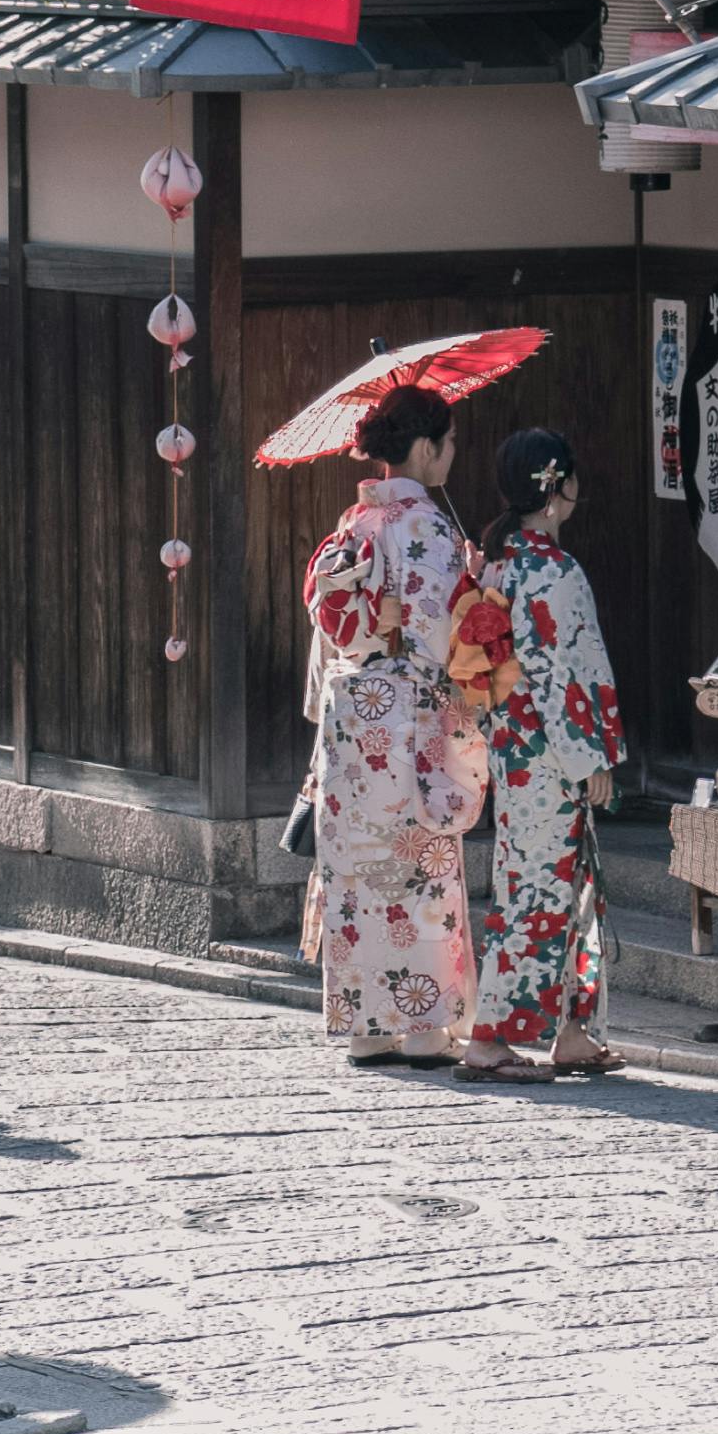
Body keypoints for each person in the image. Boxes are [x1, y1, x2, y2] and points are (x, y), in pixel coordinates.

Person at [300, 386, 488, 1067]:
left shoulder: (355, 522)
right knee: (419, 867)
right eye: (449, 440)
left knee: (356, 869)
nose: (452, 452)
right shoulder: (428, 527)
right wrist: (475, 583)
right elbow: (442, 633)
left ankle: (365, 1023)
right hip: (408, 714)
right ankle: (426, 1024)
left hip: (353, 715)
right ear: (424, 447)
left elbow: (332, 620)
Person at [450, 427, 628, 1080]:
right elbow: (567, 673)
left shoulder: (495, 565)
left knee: (562, 881)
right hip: (549, 752)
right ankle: (490, 1037)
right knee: (535, 890)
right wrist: (594, 757)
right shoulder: (553, 571)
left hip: (513, 746)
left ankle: (572, 1028)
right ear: (556, 486)